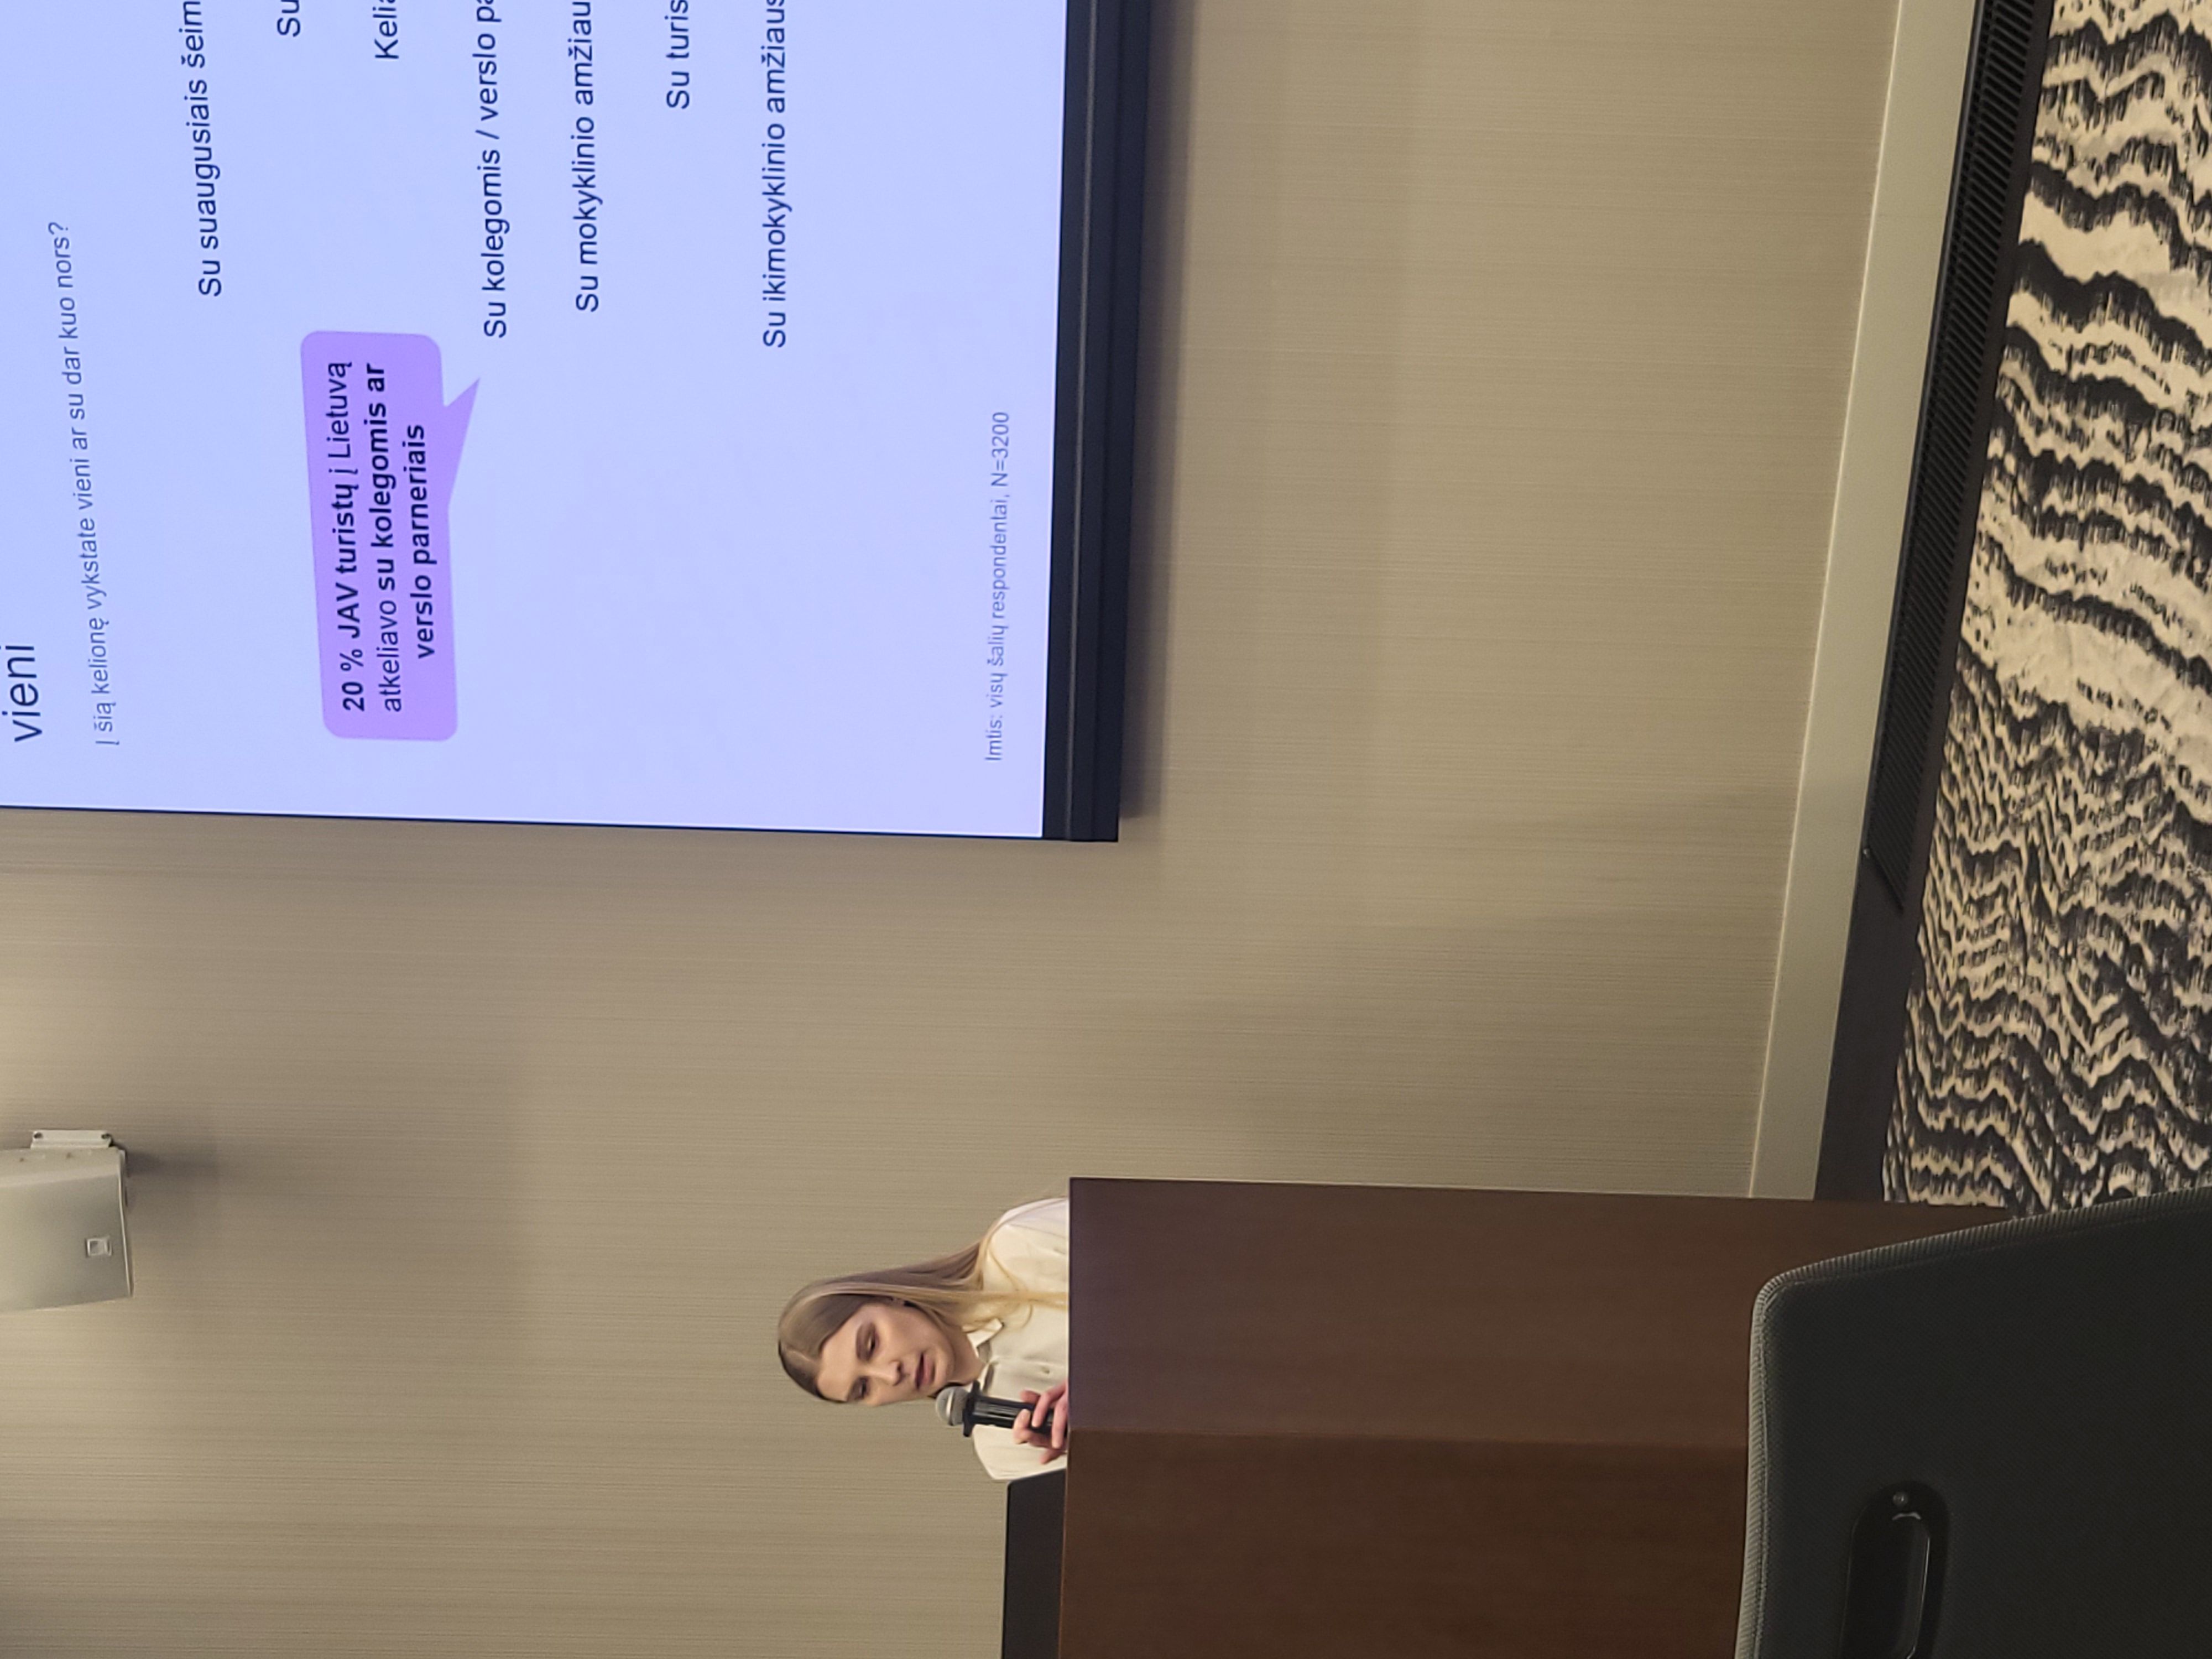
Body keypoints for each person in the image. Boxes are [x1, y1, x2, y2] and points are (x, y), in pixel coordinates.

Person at [776, 1196, 1070, 1480]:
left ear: (888, 1297)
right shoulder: (1002, 1450)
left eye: (872, 1345)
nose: (890, 1376)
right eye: (863, 1388)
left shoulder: (1019, 1245)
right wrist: (1083, 1444)